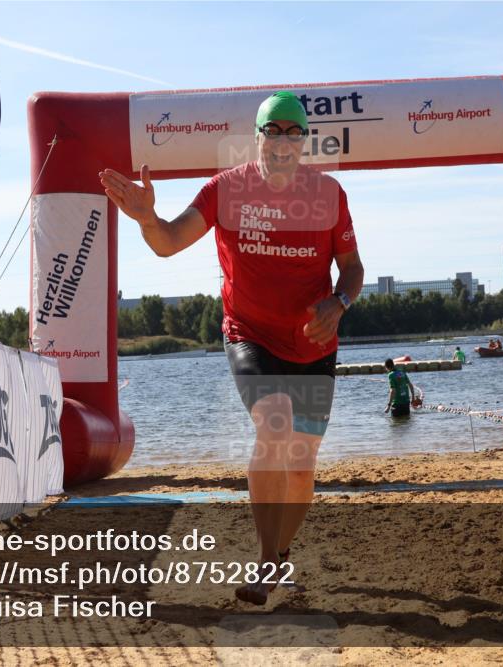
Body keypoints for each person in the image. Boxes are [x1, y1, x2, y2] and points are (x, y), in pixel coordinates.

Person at [99, 91, 364, 606]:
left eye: (294, 132)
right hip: (250, 332)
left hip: (314, 342)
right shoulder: (226, 190)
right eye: (274, 131)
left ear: (304, 140)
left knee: (302, 466)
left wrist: (339, 301)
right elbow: (168, 242)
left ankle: (280, 555)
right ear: (258, 138)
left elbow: (353, 268)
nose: (283, 141)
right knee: (274, 424)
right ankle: (267, 563)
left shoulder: (328, 194)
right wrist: (146, 219)